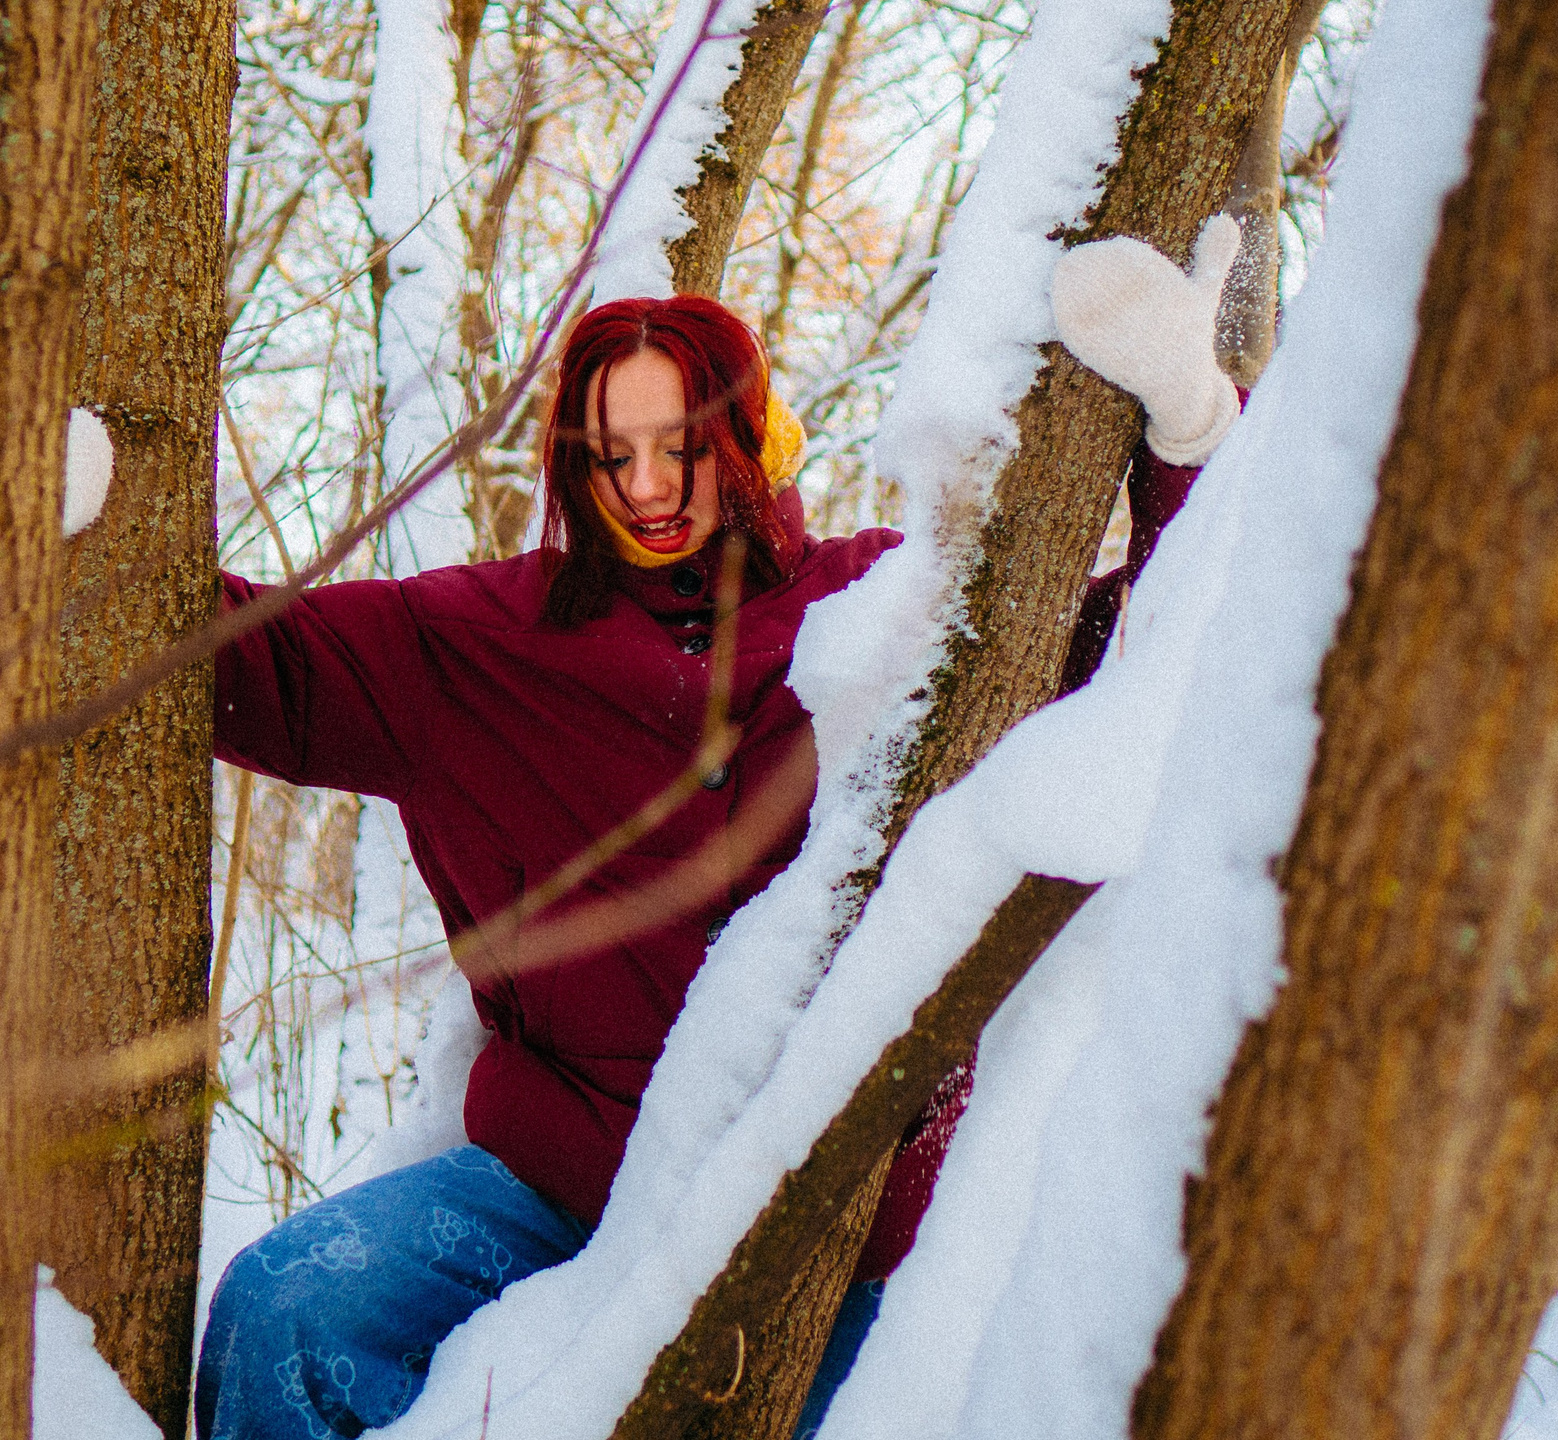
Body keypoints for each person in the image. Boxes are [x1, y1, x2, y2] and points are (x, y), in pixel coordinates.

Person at [194, 220, 1246, 1440]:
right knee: (287, 1308)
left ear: (747, 442)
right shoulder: (474, 645)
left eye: (680, 447)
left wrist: (1188, 427)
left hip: (835, 1225)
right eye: (607, 454)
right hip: (556, 1190)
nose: (643, 486)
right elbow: (237, 660)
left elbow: (1162, 655)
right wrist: (75, 537)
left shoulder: (895, 611)